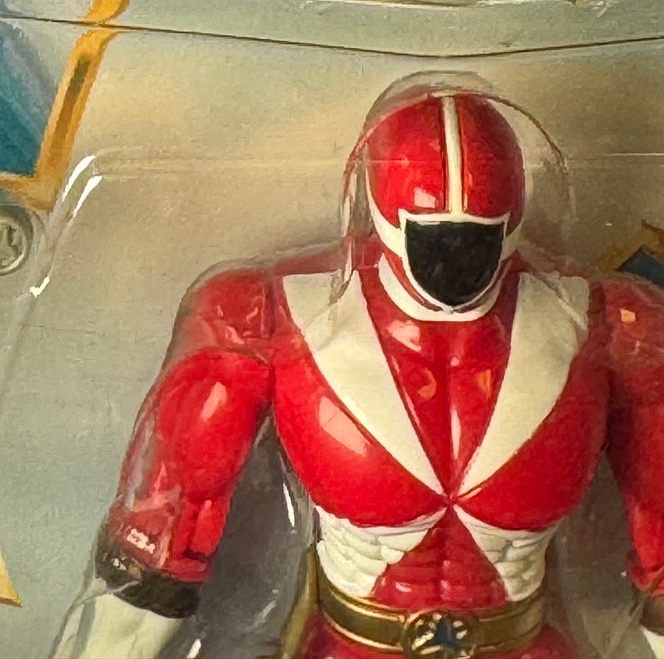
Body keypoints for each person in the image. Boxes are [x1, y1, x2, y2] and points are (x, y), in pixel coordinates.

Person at [53, 85, 664, 659]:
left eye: (475, 237)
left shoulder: (615, 326)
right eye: (438, 237)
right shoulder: (264, 316)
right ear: (383, 211)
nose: (457, 265)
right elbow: (161, 540)